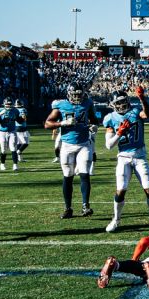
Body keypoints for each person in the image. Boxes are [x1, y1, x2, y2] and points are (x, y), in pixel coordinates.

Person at [102, 86, 149, 232]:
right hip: (123, 157)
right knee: (120, 191)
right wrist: (119, 133)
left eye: (123, 101)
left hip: (140, 156)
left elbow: (147, 113)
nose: (121, 105)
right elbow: (109, 145)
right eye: (118, 103)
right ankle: (116, 219)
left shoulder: (135, 112)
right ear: (113, 104)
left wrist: (142, 98)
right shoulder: (111, 118)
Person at [46, 86, 97, 218]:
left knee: (84, 174)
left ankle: (86, 206)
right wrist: (62, 123)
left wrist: (93, 125)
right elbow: (47, 124)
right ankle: (68, 208)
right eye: (74, 94)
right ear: (69, 94)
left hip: (84, 144)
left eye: (79, 94)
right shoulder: (61, 105)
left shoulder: (87, 103)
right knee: (68, 176)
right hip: (67, 145)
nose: (77, 97)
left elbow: (93, 119)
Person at [0, 97, 20, 171]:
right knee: (4, 150)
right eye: (7, 104)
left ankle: (15, 165)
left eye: (10, 104)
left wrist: (22, 118)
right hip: (2, 132)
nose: (9, 106)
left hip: (12, 131)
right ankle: (2, 164)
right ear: (4, 104)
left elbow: (19, 120)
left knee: (13, 148)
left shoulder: (15, 110)